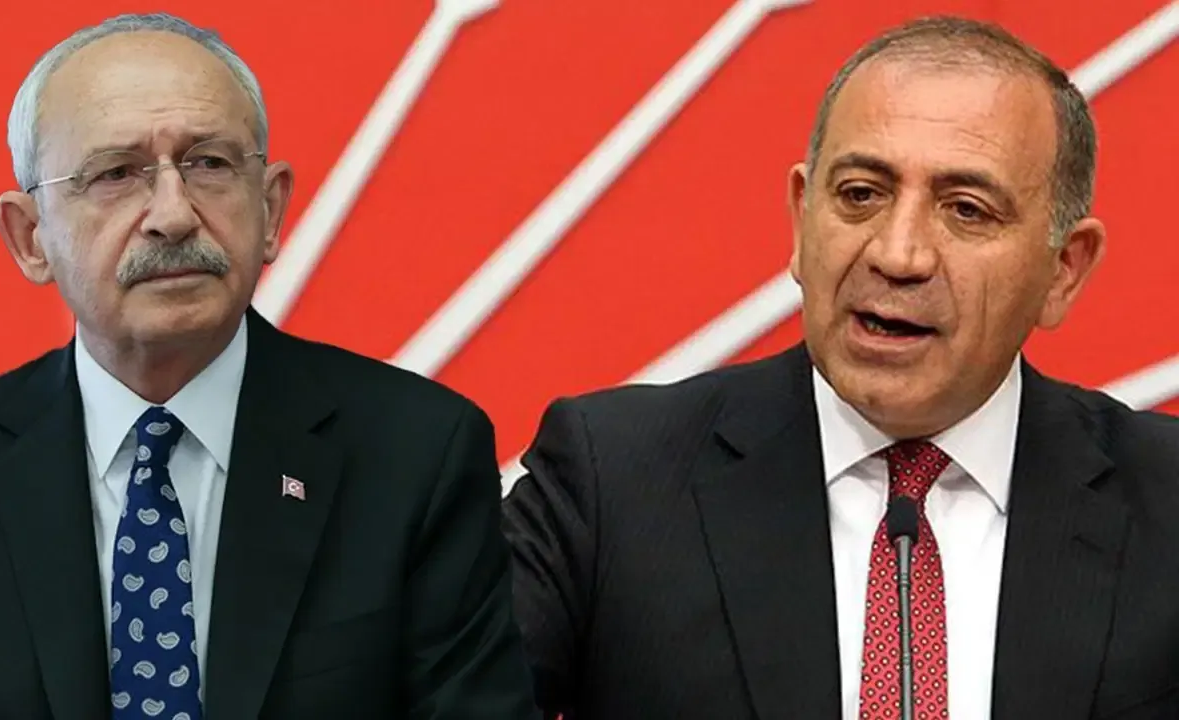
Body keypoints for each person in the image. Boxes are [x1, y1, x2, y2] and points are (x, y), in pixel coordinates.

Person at [503, 15, 1179, 720]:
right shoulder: (611, 482)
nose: (898, 254)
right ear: (802, 219)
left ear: (1064, 269)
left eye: (966, 210)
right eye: (861, 194)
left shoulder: (1168, 503)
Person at [0, 13, 539, 720]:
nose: (173, 215)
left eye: (209, 164)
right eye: (116, 174)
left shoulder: (417, 454)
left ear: (271, 208)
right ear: (30, 238)